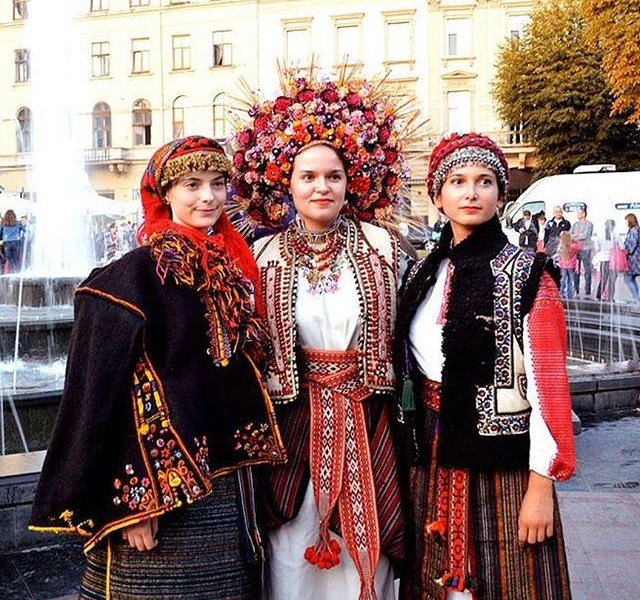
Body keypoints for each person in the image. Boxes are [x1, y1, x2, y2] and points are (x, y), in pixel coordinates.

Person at [29, 136, 286, 599]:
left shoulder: (230, 266)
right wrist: (133, 503)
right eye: (192, 185)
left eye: (217, 183)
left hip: (226, 484)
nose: (208, 197)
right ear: (165, 193)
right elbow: (102, 392)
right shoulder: (134, 275)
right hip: (160, 496)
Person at [230, 69, 409, 600]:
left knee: (364, 551)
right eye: (307, 176)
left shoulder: (381, 246)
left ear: (351, 183)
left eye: (333, 176)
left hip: (365, 418)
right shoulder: (262, 255)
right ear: (286, 184)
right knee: (291, 553)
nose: (321, 187)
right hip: (294, 424)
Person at [396, 132, 575, 599]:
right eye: (457, 181)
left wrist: (541, 486)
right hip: (432, 450)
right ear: (438, 196)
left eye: (484, 181)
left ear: (500, 194)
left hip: (504, 464)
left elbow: (549, 387)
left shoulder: (529, 274)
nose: (471, 193)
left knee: (515, 580)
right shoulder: (423, 273)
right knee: (433, 579)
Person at [570, 206, 594, 296]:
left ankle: (587, 289)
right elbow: (570, 234)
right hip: (576, 249)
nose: (577, 215)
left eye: (579, 213)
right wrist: (576, 236)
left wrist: (575, 237)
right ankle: (576, 288)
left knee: (587, 269)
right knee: (576, 269)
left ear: (583, 214)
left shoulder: (589, 224)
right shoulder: (575, 224)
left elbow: (586, 235)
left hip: (586, 248)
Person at [593, 219, 617, 301]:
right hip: (613, 260)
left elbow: (597, 248)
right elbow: (622, 247)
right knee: (612, 280)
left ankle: (598, 295)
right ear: (613, 226)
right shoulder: (615, 235)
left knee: (603, 279)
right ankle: (611, 297)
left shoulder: (600, 235)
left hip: (603, 259)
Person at [556, 231, 580, 299]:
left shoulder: (560, 247)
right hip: (571, 266)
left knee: (562, 280)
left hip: (563, 266)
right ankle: (569, 294)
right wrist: (575, 241)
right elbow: (579, 246)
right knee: (571, 280)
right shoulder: (572, 247)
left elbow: (559, 256)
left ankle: (561, 293)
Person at [623, 212, 640, 301]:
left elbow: (632, 244)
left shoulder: (634, 231)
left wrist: (626, 252)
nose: (625, 223)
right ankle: (636, 297)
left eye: (626, 221)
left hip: (633, 259)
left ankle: (636, 297)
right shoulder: (635, 230)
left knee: (628, 278)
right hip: (634, 258)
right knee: (631, 278)